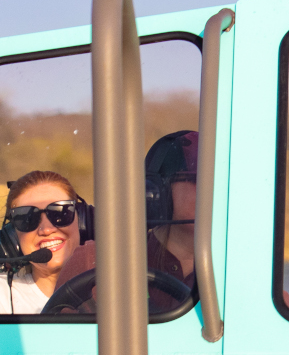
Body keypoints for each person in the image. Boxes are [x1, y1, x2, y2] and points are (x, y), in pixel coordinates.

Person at [52, 130, 198, 312]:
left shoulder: (239, 266)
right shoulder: (94, 261)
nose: (216, 192)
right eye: (199, 180)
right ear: (157, 193)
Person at [0, 171, 85, 314]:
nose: (46, 229)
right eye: (27, 218)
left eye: (60, 213)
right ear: (12, 236)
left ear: (83, 221)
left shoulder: (115, 289)